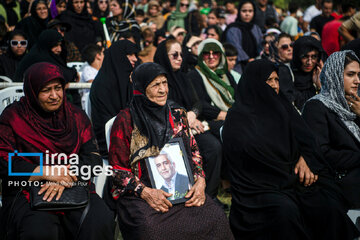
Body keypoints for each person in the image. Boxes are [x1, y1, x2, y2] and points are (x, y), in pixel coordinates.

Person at [222, 59, 360, 240]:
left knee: (327, 205)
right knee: (284, 212)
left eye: (276, 80)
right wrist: (291, 172)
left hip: (295, 180)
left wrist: (306, 159)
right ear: (255, 83)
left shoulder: (284, 108)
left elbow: (309, 141)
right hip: (260, 188)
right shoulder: (238, 118)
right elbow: (251, 161)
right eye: (268, 80)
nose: (274, 85)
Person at [108, 62, 234, 239]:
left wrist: (200, 180)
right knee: (153, 230)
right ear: (141, 88)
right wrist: (146, 192)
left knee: (216, 218)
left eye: (164, 83)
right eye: (155, 85)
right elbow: (118, 171)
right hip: (141, 195)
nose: (162, 90)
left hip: (182, 190)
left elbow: (194, 152)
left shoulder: (177, 113)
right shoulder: (126, 120)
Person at [0, 62, 115, 240]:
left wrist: (64, 176)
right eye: (46, 90)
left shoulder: (76, 116)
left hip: (72, 183)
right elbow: (4, 162)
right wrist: (46, 173)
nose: (54, 96)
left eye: (58, 88)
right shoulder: (13, 117)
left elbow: (93, 158)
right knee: (39, 229)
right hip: (27, 188)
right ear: (32, 91)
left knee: (100, 220)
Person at [302, 50, 360, 209]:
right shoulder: (316, 107)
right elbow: (321, 152)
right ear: (334, 74)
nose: (357, 81)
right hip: (340, 180)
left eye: (358, 75)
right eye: (350, 75)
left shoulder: (352, 106)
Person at [90, 40, 139, 159]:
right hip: (110, 142)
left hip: (132, 138)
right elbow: (107, 122)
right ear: (119, 56)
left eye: (135, 55)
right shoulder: (102, 85)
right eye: (130, 55)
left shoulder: (128, 80)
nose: (135, 59)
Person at [223, 0, 263, 74]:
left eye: (250, 11)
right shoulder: (233, 29)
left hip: (256, 65)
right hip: (238, 66)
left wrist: (258, 58)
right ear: (239, 12)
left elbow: (260, 45)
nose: (247, 14)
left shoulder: (256, 28)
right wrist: (248, 59)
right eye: (244, 11)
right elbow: (235, 47)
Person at [291, 36, 325, 110]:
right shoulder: (288, 75)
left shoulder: (321, 77)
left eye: (314, 57)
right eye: (305, 57)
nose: (309, 62)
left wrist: (320, 86)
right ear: (297, 57)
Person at [79, 44, 104, 108]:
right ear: (98, 56)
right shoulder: (87, 69)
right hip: (90, 104)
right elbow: (92, 82)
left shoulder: (103, 70)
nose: (105, 55)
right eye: (103, 53)